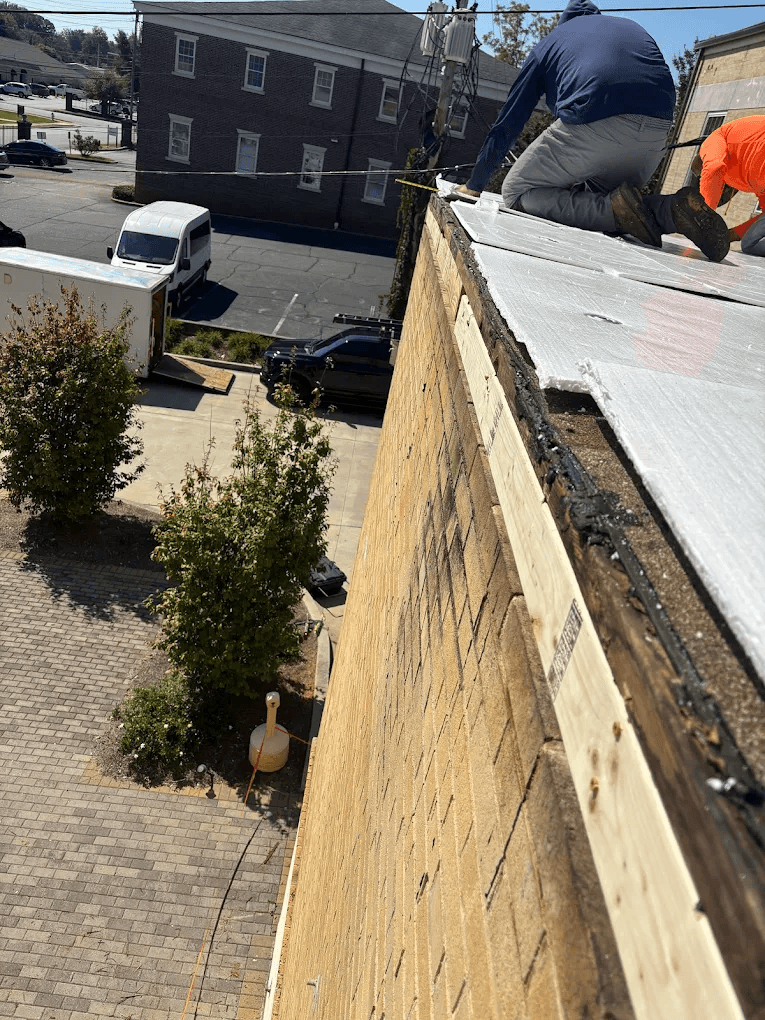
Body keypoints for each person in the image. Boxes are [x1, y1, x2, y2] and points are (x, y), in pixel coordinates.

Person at [455, 0, 729, 262]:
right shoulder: (629, 27)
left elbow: (509, 122)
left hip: (597, 121)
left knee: (516, 191)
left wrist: (475, 184)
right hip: (657, 132)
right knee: (610, 199)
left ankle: (614, 211)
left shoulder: (552, 42)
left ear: (564, 24)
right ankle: (670, 211)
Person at [690, 116, 765, 257]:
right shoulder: (753, 176)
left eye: (701, 173)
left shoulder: (713, 140)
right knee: (749, 244)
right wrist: (730, 235)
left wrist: (704, 219)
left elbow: (713, 168)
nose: (703, 177)